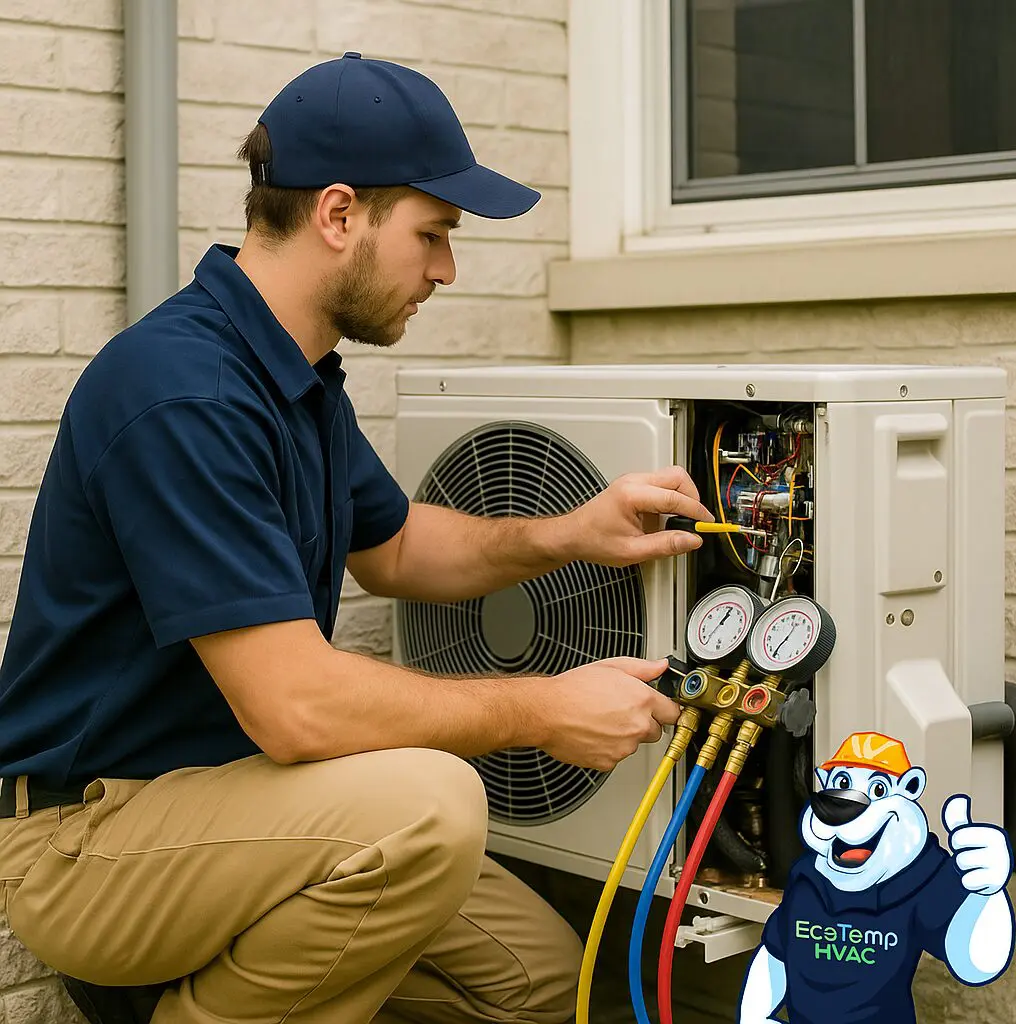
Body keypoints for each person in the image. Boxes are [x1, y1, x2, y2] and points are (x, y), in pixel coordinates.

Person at [0, 55, 713, 1024]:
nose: (445, 270)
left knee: (547, 984)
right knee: (431, 806)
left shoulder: (295, 375)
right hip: (93, 835)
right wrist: (543, 708)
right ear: (338, 215)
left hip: (246, 808)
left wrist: (569, 533)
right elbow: (297, 707)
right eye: (433, 234)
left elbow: (397, 546)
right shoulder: (183, 392)